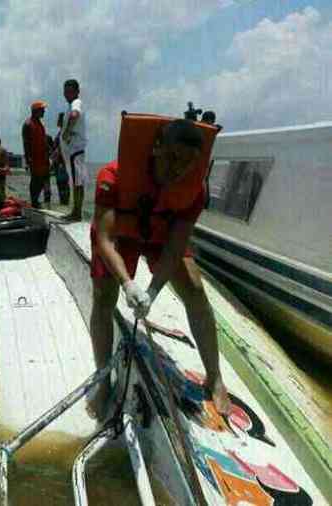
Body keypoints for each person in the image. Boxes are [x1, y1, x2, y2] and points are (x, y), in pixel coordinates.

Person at [89, 115, 230, 421]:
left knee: (194, 288)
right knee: (103, 297)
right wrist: (128, 285)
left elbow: (176, 246)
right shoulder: (112, 177)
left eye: (187, 163)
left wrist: (152, 291)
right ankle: (103, 379)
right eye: (172, 157)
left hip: (159, 233)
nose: (178, 168)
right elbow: (104, 239)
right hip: (120, 234)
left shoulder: (193, 192)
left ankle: (214, 376)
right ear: (155, 147)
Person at [60, 79, 88, 221]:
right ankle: (76, 211)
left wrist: (67, 132)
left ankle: (76, 213)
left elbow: (74, 115)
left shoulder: (76, 103)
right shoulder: (71, 105)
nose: (66, 94)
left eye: (69, 91)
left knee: (78, 183)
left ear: (77, 92)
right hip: (73, 151)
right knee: (77, 182)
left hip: (74, 150)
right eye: (65, 91)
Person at [22, 100, 51, 209]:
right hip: (34, 158)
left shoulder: (40, 124)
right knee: (35, 180)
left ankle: (37, 201)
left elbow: (43, 141)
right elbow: (26, 143)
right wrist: (28, 159)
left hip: (43, 158)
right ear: (35, 111)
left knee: (42, 181)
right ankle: (34, 201)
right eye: (42, 110)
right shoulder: (28, 124)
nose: (44, 111)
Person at [51, 113, 70, 205]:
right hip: (60, 163)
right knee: (62, 185)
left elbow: (63, 149)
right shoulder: (62, 133)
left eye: (59, 119)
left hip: (62, 163)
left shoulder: (64, 133)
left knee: (63, 185)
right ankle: (64, 204)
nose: (57, 121)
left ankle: (64, 204)